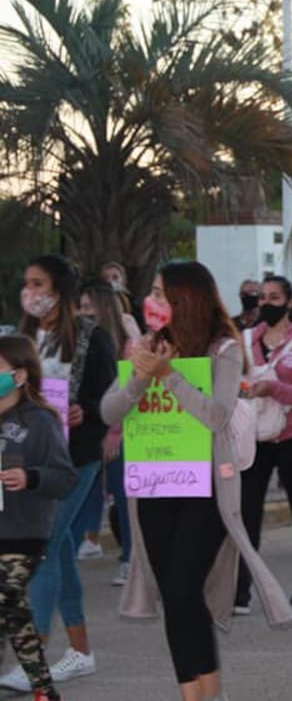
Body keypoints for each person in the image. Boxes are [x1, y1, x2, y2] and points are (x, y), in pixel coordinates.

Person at [101, 261, 292, 701]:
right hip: (154, 483)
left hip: (206, 487)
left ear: (184, 299)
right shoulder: (147, 344)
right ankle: (196, 692)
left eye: (159, 293)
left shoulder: (223, 348)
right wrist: (139, 378)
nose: (151, 302)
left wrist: (168, 376)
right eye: (150, 293)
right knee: (174, 592)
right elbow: (109, 413)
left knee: (187, 586)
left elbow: (216, 415)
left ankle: (206, 691)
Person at [0, 256, 116, 692]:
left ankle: (37, 656)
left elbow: (108, 402)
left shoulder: (92, 338)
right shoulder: (19, 338)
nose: (30, 292)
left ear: (60, 292)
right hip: (24, 460)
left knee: (44, 546)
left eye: (38, 284)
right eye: (26, 284)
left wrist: (83, 411)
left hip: (72, 459)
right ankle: (81, 651)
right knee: (61, 550)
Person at [235, 275, 292, 611]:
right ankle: (240, 591)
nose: (266, 303)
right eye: (263, 297)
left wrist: (275, 389)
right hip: (255, 437)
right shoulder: (245, 340)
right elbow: (233, 382)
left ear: (289, 302)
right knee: (246, 514)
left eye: (274, 297)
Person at [0, 335, 77, 701]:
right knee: (13, 612)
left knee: (4, 601)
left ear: (19, 375)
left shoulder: (41, 421)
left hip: (24, 533)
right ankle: (44, 690)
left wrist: (30, 477)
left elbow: (64, 477)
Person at [77, 280, 141, 585]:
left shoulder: (126, 344)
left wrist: (113, 433)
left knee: (123, 494)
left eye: (90, 306)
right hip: (90, 429)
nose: (84, 312)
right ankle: (86, 540)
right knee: (86, 490)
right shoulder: (81, 342)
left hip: (122, 431)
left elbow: (128, 390)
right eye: (81, 306)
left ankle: (131, 557)